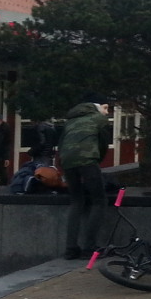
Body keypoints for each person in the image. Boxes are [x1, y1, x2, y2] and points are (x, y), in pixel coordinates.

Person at [59, 94, 113, 259]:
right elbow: (103, 144)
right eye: (106, 108)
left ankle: (70, 249)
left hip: (67, 162)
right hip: (88, 161)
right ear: (99, 106)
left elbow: (61, 144)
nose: (107, 113)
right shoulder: (99, 119)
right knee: (99, 201)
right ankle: (89, 248)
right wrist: (96, 161)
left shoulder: (71, 120)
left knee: (76, 201)